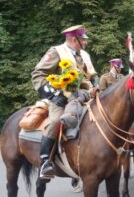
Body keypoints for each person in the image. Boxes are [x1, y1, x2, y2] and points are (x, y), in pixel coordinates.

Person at [31, 25, 98, 179]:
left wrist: (96, 81)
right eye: (84, 40)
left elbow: (92, 74)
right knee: (55, 121)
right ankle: (45, 162)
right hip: (62, 97)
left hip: (86, 95)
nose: (86, 42)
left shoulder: (84, 55)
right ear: (75, 40)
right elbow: (37, 74)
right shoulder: (56, 51)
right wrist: (53, 95)